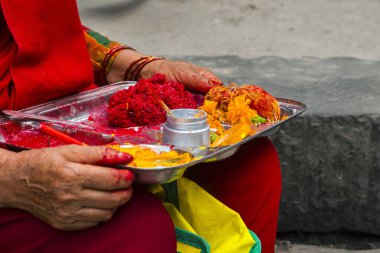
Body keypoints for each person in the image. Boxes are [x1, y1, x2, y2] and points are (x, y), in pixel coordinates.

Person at [0, 1, 281, 252]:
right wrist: (14, 178)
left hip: (52, 112)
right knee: (138, 228)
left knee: (251, 167)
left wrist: (134, 67)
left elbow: (37, 29)